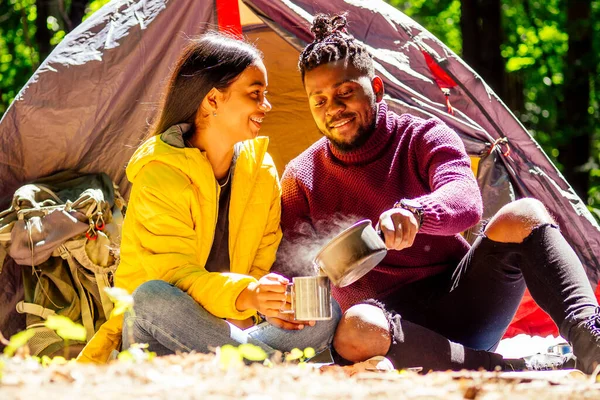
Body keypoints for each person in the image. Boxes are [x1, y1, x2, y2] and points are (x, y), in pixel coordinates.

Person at [279, 14, 600, 374]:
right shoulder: (302, 175)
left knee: (524, 212)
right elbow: (291, 269)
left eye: (345, 92)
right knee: (355, 329)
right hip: (385, 325)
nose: (333, 109)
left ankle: (592, 341)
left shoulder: (423, 135)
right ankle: (513, 367)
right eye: (318, 100)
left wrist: (417, 213)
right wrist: (282, 291)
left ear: (378, 88)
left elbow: (466, 199)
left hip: (463, 301)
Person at [77, 33, 340, 363]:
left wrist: (268, 301)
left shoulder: (262, 170)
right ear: (213, 100)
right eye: (255, 95)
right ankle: (269, 368)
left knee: (323, 308)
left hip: (231, 331)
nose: (266, 106)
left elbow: (260, 263)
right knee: (150, 297)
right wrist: (246, 295)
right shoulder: (160, 173)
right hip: (161, 331)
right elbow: (174, 277)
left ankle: (254, 365)